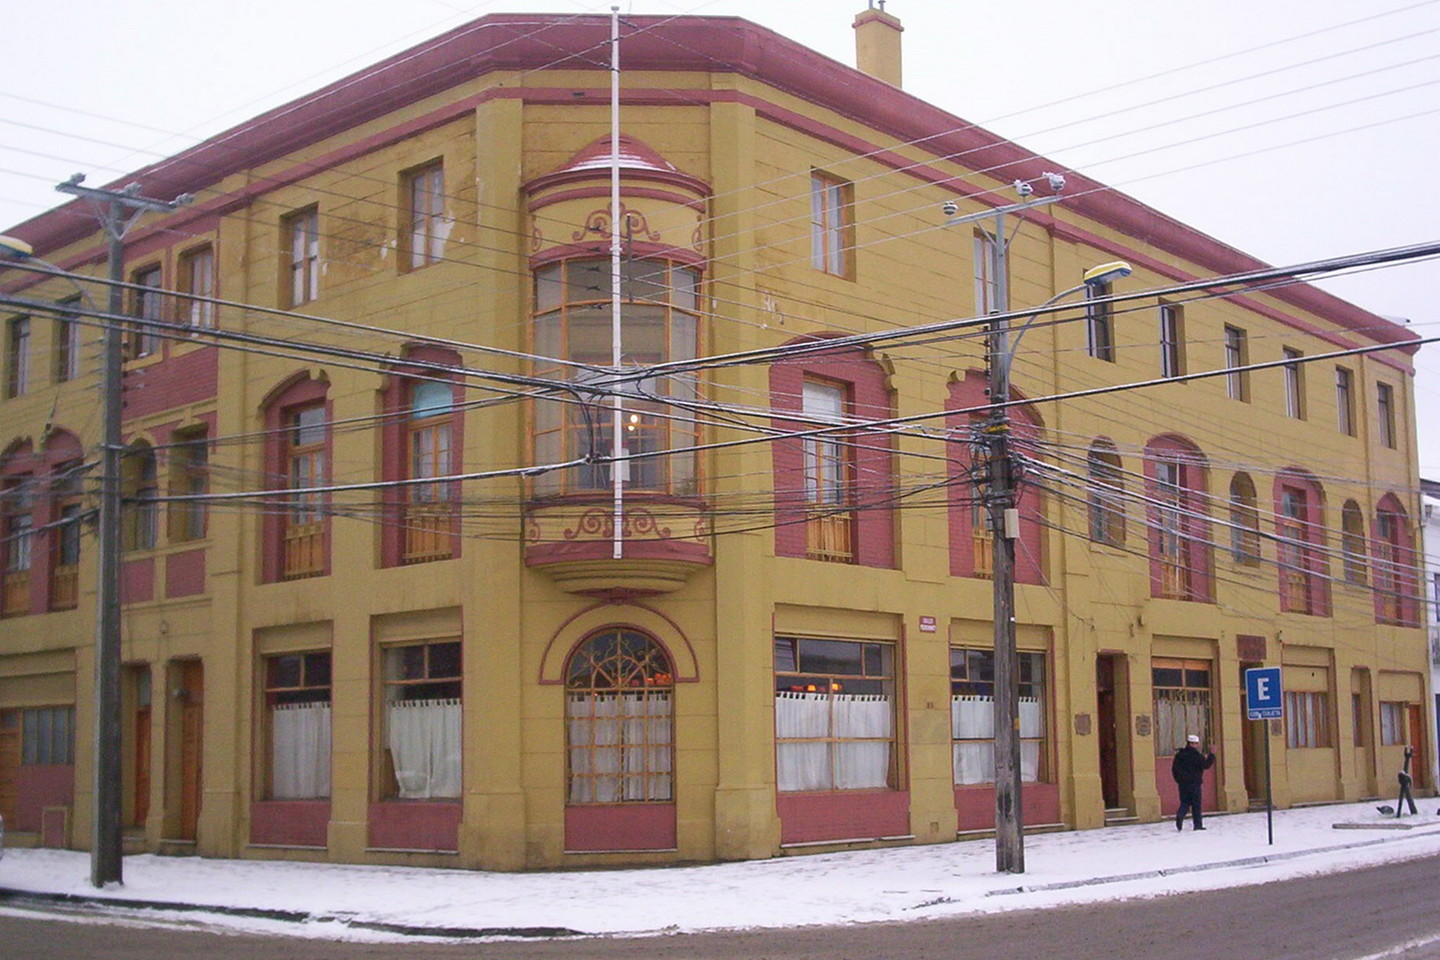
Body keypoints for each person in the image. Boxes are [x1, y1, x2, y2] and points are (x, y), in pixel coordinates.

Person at [1172, 733, 1215, 831]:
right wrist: (1211, 754)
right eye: (1196, 744)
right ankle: (1197, 825)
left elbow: (1174, 769)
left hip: (1183, 784)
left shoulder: (1180, 755)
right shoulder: (1197, 756)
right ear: (1192, 744)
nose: (1197, 745)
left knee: (1185, 802)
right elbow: (1206, 765)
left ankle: (1180, 815)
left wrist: (1179, 780)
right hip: (1195, 783)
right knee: (1196, 804)